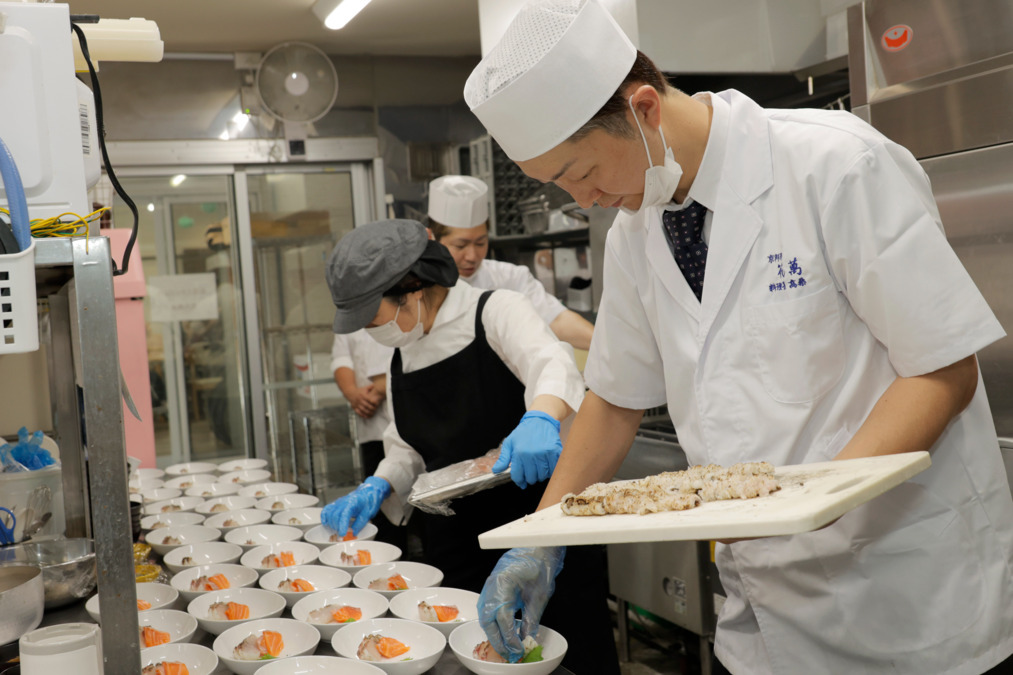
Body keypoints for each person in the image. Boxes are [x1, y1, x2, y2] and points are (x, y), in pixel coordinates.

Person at [463, 1, 1013, 673]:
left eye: (581, 174)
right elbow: (613, 399)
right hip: (759, 614)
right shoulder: (638, 230)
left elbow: (941, 369)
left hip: (900, 598)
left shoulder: (833, 164)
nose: (588, 200)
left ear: (643, 109)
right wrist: (540, 536)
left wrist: (810, 502)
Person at [320, 219, 619, 674]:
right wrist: (378, 484)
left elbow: (551, 362)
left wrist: (540, 416)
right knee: (474, 658)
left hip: (539, 531)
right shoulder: (403, 351)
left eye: (371, 317)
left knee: (569, 655)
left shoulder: (496, 310)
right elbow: (408, 445)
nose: (367, 331)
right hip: (460, 547)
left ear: (412, 289)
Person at [427, 175, 594, 350]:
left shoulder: (509, 278)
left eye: (481, 243)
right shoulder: (418, 288)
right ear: (432, 238)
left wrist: (606, 347)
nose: (472, 256)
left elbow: (556, 319)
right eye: (460, 245)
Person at [330, 329, 402, 546]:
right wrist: (353, 393)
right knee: (382, 517)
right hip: (372, 428)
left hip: (405, 419)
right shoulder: (348, 317)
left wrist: (379, 390)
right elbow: (340, 358)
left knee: (424, 512)